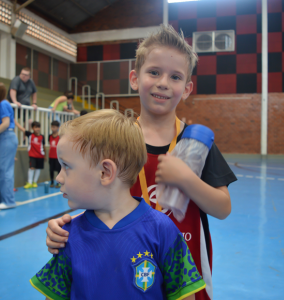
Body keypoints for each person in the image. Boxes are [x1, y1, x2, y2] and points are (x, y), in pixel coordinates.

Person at [44, 25, 237, 300]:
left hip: (185, 272)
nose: (163, 83)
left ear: (187, 89)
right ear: (135, 78)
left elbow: (223, 208)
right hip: (128, 268)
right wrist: (67, 227)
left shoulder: (196, 146)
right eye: (154, 72)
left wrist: (186, 179)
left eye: (175, 77)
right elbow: (101, 198)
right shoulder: (116, 141)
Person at [30, 109, 206, 300]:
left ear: (105, 172)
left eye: (67, 166)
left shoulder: (163, 230)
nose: (59, 177)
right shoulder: (66, 236)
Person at [0, 82, 18, 209]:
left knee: (5, 171)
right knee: (1, 171)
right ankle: (2, 198)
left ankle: (9, 201)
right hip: (2, 140)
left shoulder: (4, 104)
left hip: (7, 138)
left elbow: (5, 124)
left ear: (0, 91)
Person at [22, 121, 46, 189]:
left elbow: (43, 146)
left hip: (40, 155)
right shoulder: (30, 135)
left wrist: (45, 155)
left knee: (38, 168)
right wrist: (15, 122)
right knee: (31, 167)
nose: (37, 129)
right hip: (32, 155)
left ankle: (34, 182)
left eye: (38, 127)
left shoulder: (42, 136)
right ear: (32, 128)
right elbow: (22, 129)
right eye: (36, 127)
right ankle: (29, 182)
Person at [48, 120, 61, 188]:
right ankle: (52, 182)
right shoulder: (49, 136)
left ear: (58, 127)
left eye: (54, 127)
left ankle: (58, 182)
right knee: (51, 169)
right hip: (51, 156)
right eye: (52, 127)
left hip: (57, 156)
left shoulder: (60, 137)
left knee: (58, 170)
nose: (53, 128)